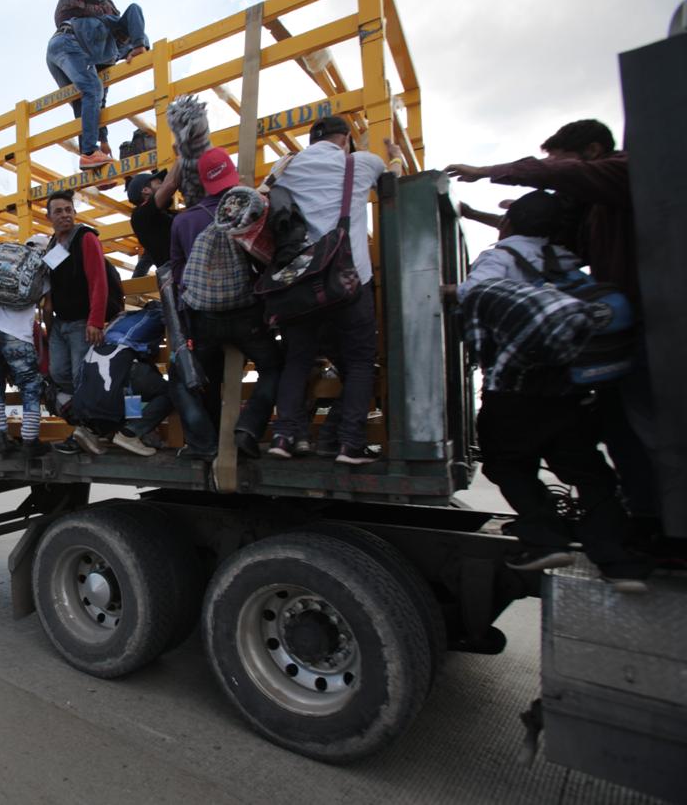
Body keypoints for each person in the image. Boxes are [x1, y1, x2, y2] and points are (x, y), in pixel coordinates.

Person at [443, 118, 658, 523]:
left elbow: (559, 183)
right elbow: (536, 234)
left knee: (510, 458)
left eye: (557, 162)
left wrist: (487, 172)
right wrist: (476, 215)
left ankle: (561, 530)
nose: (556, 180)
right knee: (600, 449)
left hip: (525, 379)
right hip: (575, 370)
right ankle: (624, 536)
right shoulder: (574, 238)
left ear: (591, 152)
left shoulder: (623, 172)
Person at [455, 191, 650, 592]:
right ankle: (618, 561)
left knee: (506, 461)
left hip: (515, 384)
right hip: (570, 384)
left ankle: (545, 538)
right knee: (589, 472)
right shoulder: (566, 260)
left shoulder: (501, 258)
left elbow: (475, 296)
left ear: (510, 225)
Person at [267, 116, 404, 464]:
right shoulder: (362, 163)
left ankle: (284, 436)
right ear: (344, 139)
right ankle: (349, 444)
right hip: (349, 279)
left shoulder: (287, 166)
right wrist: (397, 156)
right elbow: (395, 184)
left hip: (301, 282)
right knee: (359, 362)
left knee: (297, 361)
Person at [169, 151, 282, 459]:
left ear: (203, 182)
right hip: (246, 314)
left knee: (202, 378)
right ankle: (248, 427)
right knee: (274, 366)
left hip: (205, 318)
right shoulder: (251, 207)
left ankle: (210, 444)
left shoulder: (183, 221)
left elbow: (178, 272)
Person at [46, 0, 149, 170]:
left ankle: (88, 157)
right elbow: (134, 9)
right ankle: (89, 152)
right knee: (92, 90)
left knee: (83, 100)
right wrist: (140, 44)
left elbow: (98, 100)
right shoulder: (110, 24)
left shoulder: (105, 55)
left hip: (55, 51)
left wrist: (103, 140)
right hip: (69, 42)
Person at [42, 189, 113, 454]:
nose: (64, 215)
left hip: (83, 322)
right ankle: (90, 423)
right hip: (60, 323)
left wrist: (96, 321)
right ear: (49, 216)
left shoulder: (85, 238)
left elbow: (98, 281)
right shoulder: (52, 243)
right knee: (59, 374)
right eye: (58, 211)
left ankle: (86, 431)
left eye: (68, 210)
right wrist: (49, 325)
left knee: (79, 376)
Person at [0, 234, 49, 457]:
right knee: (30, 387)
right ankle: (30, 441)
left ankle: (1, 440)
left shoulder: (7, 262)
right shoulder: (42, 270)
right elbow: (47, 309)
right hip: (16, 336)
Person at [128, 164, 179, 278]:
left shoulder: (163, 215)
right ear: (145, 190)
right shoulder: (139, 215)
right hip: (180, 278)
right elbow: (170, 184)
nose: (163, 185)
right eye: (159, 183)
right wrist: (182, 157)